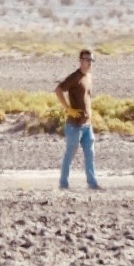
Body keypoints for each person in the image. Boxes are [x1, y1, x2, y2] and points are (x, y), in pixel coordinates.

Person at [55, 48, 102, 190]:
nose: (89, 63)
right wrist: (68, 109)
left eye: (91, 60)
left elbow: (88, 98)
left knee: (90, 154)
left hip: (87, 125)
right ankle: (63, 184)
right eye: (87, 60)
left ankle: (92, 184)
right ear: (80, 60)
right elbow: (58, 90)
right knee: (70, 154)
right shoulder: (74, 77)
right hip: (74, 126)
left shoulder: (89, 77)